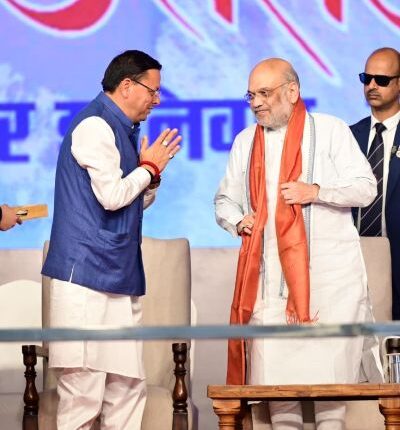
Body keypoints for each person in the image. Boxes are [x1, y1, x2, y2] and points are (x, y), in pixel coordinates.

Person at [214, 58, 382, 429]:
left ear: (292, 91)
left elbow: (366, 188)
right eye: (251, 95)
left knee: (330, 399)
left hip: (329, 289)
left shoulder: (330, 130)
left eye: (264, 93)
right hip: (270, 291)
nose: (257, 103)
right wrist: (238, 220)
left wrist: (316, 191)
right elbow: (224, 200)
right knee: (279, 397)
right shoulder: (246, 142)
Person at [42, 50, 181, 430]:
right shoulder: (95, 126)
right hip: (85, 279)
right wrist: (148, 167)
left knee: (128, 388)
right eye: (153, 91)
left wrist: (150, 176)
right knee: (83, 396)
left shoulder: (123, 129)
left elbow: (130, 202)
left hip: (118, 274)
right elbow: (113, 197)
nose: (157, 100)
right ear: (127, 85)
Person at [350, 47, 400, 319]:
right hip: (353, 262)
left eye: (381, 80)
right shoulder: (348, 136)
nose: (371, 86)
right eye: (366, 78)